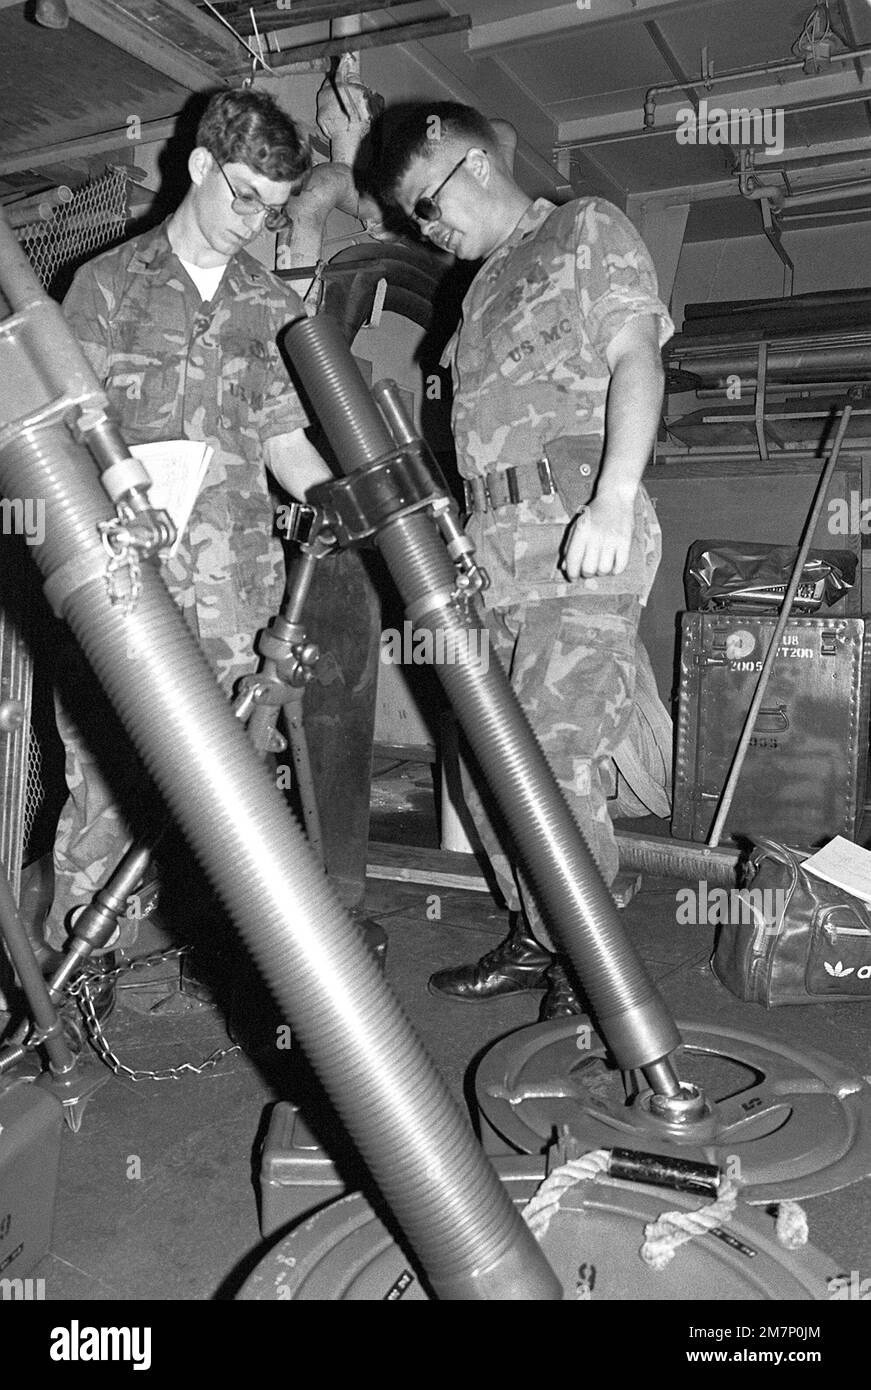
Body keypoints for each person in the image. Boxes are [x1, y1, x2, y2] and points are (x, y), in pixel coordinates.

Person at [379, 102, 674, 1018]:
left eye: (426, 206)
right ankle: (534, 928)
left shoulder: (584, 228)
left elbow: (636, 359)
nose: (428, 230)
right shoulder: (477, 293)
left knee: (552, 763)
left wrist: (616, 497)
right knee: (485, 767)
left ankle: (588, 967)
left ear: (462, 158)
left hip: (579, 544)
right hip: (498, 563)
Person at [44, 88, 334, 951]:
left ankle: (207, 963)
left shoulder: (269, 305)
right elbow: (57, 433)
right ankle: (79, 972)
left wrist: (348, 506)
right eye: (244, 195)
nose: (256, 222)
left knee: (234, 787)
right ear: (201, 166)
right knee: (108, 779)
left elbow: (286, 445)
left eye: (275, 210)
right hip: (123, 582)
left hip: (240, 597)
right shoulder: (103, 284)